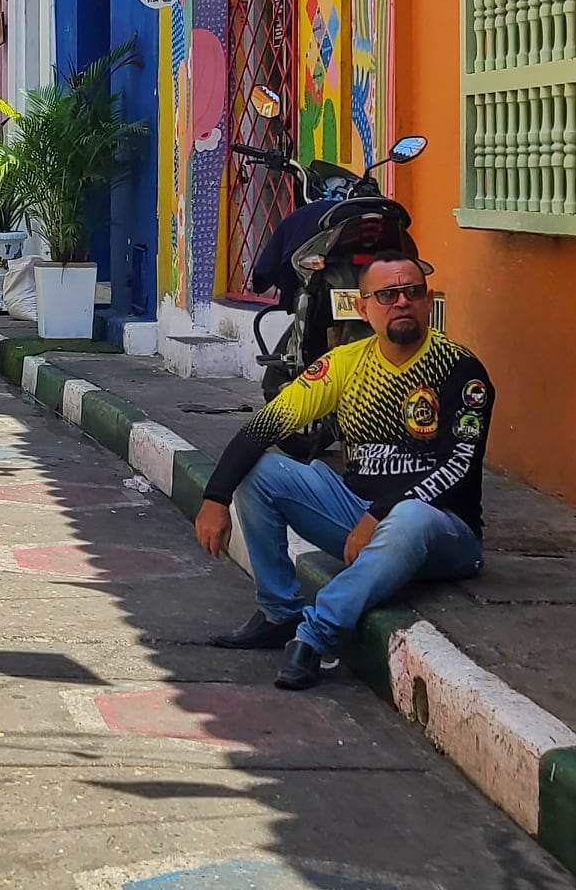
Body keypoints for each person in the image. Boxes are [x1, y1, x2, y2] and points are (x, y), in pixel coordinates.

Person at [193, 254, 492, 692]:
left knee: (410, 515)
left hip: (445, 533)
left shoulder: (460, 370)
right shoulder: (344, 365)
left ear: (428, 302)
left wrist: (379, 516)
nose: (402, 302)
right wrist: (216, 496)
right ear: (364, 307)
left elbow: (459, 467)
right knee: (260, 470)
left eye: (413, 292)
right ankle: (279, 612)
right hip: (358, 516)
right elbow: (262, 427)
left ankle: (315, 636)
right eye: (387, 295)